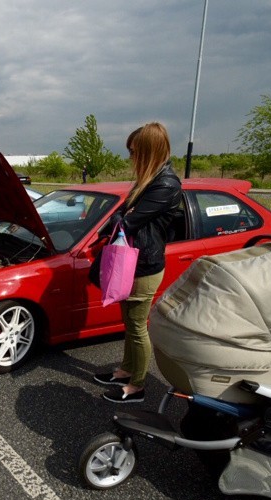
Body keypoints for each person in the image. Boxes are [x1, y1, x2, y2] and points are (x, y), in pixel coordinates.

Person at [92, 122, 183, 403]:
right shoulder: (150, 180)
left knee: (136, 325)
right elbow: (120, 214)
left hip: (143, 265)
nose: (130, 157)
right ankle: (125, 369)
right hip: (132, 262)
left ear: (146, 151)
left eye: (133, 151)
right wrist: (120, 217)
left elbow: (126, 221)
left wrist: (121, 217)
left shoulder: (165, 184)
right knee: (128, 322)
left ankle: (138, 386)